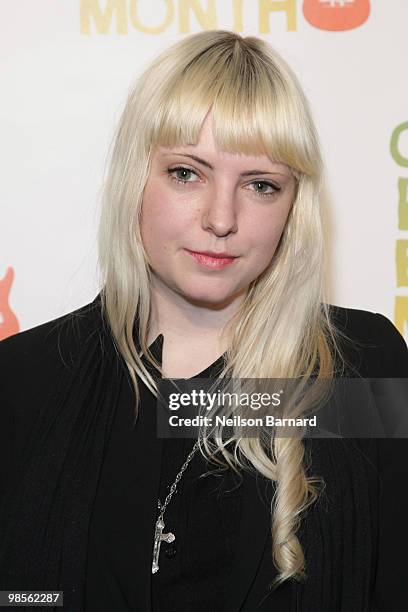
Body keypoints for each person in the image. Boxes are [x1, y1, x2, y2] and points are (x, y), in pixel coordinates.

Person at [0, 30, 407, 612]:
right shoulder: (23, 382)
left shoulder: (364, 371)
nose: (222, 218)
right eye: (187, 173)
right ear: (134, 178)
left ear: (293, 208)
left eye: (261, 185)